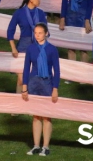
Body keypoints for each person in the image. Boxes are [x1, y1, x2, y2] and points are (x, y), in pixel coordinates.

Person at [22, 22, 59, 157]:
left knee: (46, 116)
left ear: (46, 33)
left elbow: (57, 71)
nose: (37, 35)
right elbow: (26, 68)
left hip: (47, 83)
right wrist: (25, 87)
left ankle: (46, 146)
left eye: (40, 33)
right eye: (35, 33)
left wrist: (55, 88)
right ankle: (36, 146)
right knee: (36, 116)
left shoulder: (52, 49)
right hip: (33, 83)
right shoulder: (31, 48)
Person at [8, 0, 48, 94]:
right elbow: (10, 31)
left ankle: (30, 101)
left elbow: (45, 32)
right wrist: (13, 48)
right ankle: (18, 103)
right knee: (21, 80)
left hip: (37, 47)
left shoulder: (41, 13)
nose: (39, 0)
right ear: (31, 0)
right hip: (23, 47)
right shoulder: (19, 13)